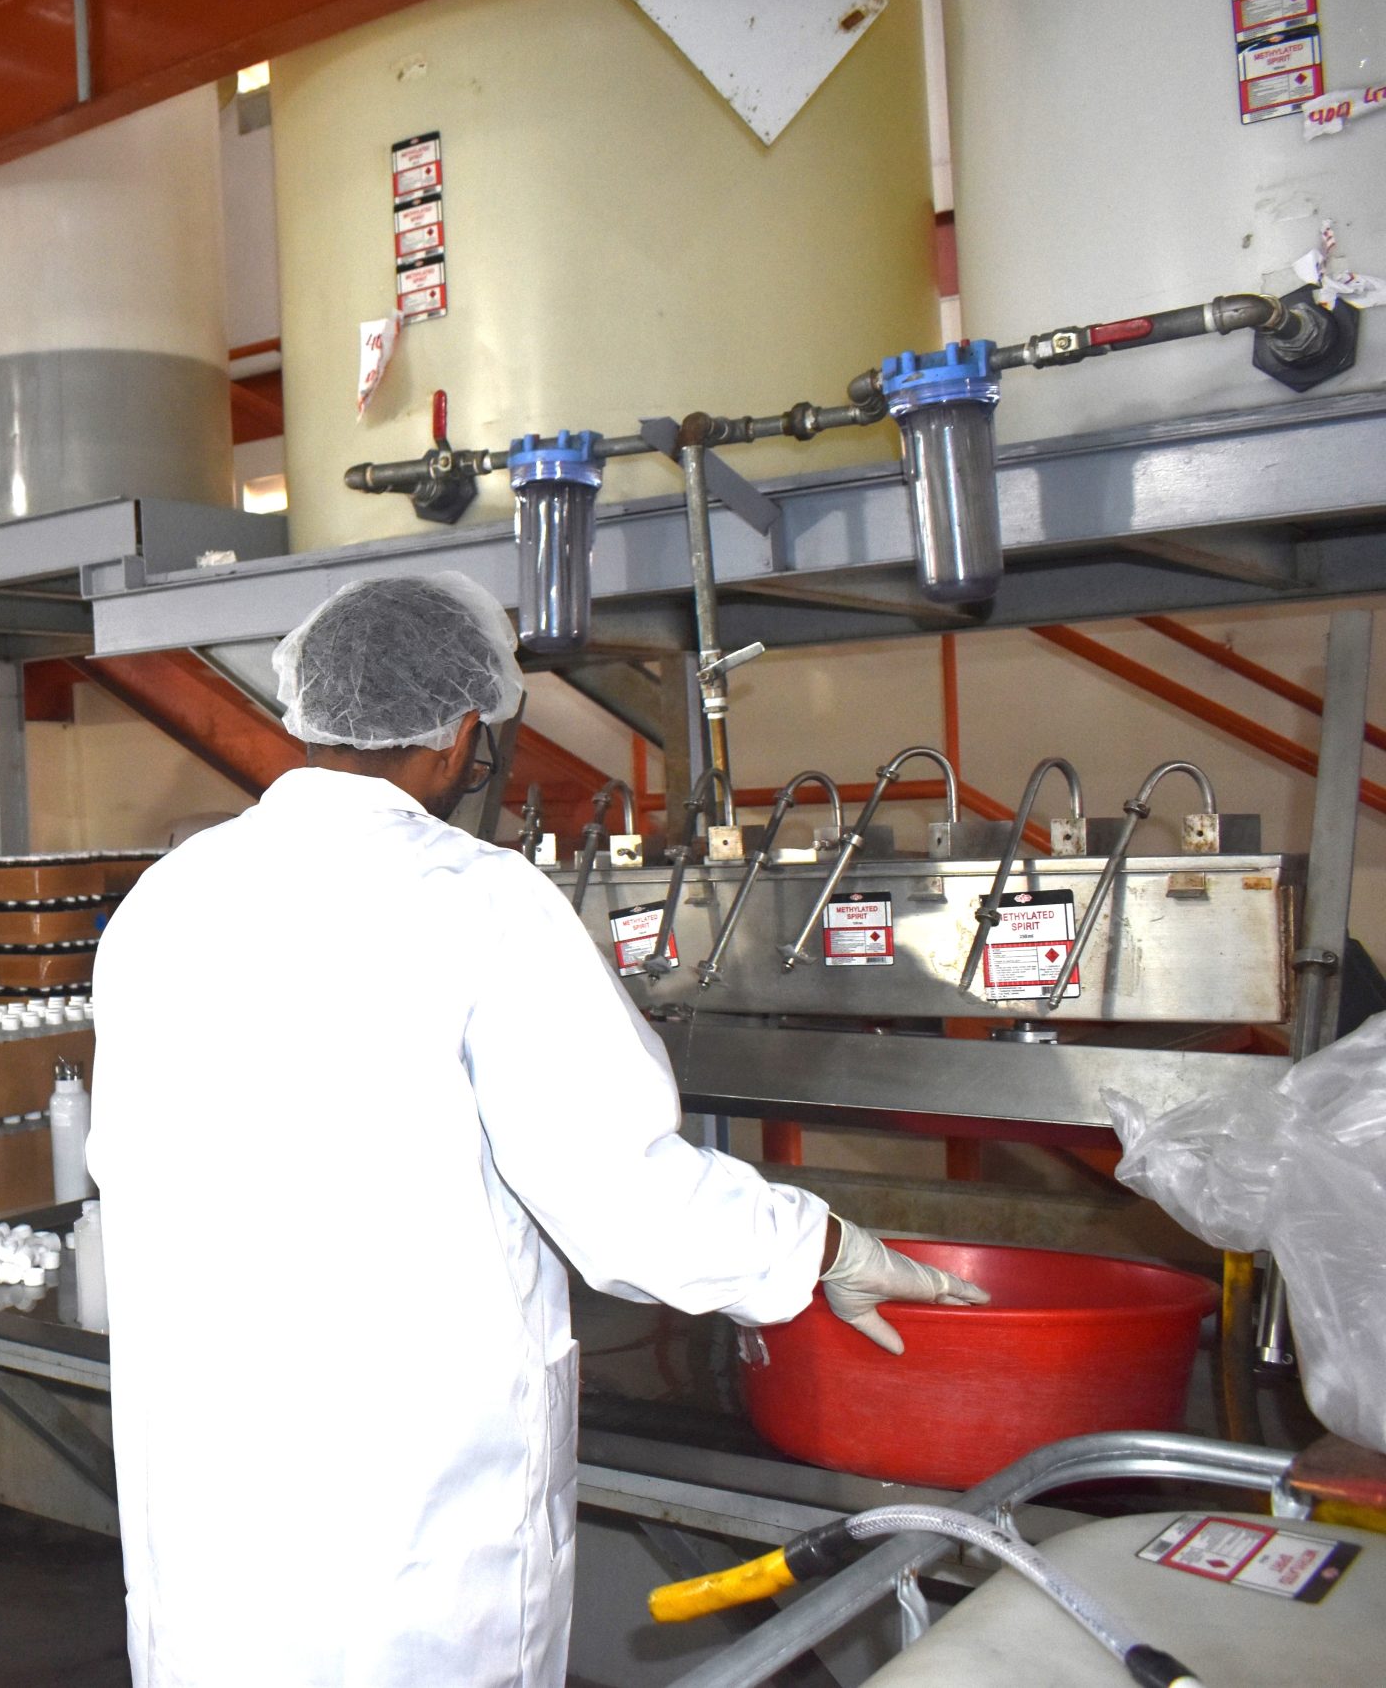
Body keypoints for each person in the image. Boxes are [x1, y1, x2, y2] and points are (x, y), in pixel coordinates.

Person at [87, 573, 986, 1688]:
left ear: (310, 710)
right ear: (462, 734)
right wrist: (825, 1247)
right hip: (409, 1510)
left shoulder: (168, 898)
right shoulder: (477, 898)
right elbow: (622, 1195)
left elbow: (132, 1160)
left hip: (215, 1483)